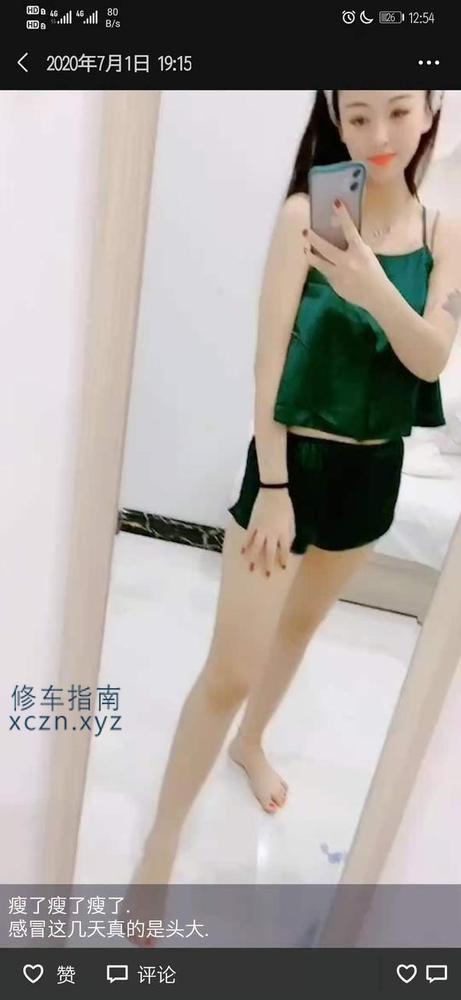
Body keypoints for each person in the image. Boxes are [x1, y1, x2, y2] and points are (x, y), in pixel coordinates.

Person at [127, 91, 461, 941]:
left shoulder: (444, 234)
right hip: (292, 470)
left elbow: (430, 356)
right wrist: (273, 486)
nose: (378, 135)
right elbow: (266, 361)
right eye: (358, 116)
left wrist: (370, 285)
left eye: (397, 112)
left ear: (430, 111)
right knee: (229, 668)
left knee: (300, 630)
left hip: (372, 473)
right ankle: (160, 843)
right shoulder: (305, 216)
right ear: (334, 118)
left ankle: (252, 745)